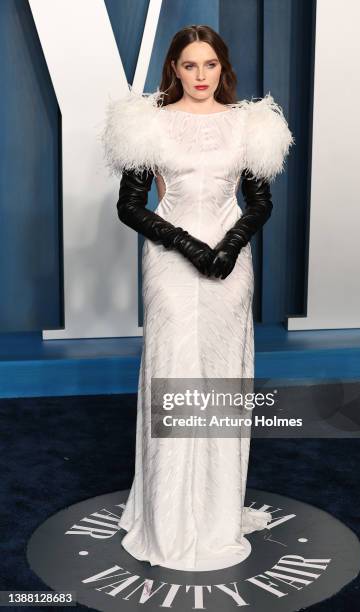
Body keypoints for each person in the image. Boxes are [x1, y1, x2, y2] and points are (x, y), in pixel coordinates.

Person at [101, 24, 294, 571]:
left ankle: (214, 512)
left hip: (230, 267)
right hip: (169, 265)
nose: (201, 76)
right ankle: (167, 517)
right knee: (173, 372)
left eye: (209, 65)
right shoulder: (147, 124)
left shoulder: (250, 123)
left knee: (221, 378)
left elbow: (258, 202)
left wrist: (228, 247)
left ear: (222, 68)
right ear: (174, 70)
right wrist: (188, 244)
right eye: (190, 66)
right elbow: (131, 206)